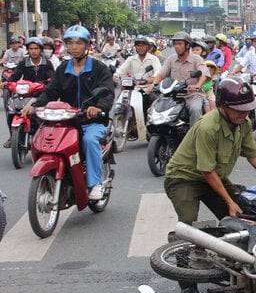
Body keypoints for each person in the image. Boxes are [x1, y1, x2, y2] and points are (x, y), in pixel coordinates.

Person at [164, 76, 256, 293]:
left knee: (245, 216)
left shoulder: (244, 124)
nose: (243, 113)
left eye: (247, 109)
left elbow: (255, 157)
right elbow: (205, 171)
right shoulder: (208, 127)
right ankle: (186, 279)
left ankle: (241, 267)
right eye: (238, 109)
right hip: (184, 177)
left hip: (214, 176)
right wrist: (228, 202)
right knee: (188, 223)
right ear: (222, 107)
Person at [21, 25, 115, 200]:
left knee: (89, 140)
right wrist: (34, 105)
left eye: (78, 43)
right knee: (45, 137)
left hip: (92, 121)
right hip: (67, 120)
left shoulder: (98, 68)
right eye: (70, 43)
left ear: (87, 45)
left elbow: (107, 92)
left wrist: (99, 108)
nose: (74, 47)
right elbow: (50, 91)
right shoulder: (63, 68)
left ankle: (95, 183)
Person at [1, 37, 55, 147]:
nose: (34, 51)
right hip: (26, 93)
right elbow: (15, 76)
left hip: (42, 94)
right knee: (11, 108)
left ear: (40, 50)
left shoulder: (47, 63)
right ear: (28, 50)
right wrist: (6, 83)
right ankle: (12, 137)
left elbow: (52, 79)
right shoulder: (23, 63)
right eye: (31, 49)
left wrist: (47, 85)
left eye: (36, 48)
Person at [151, 31, 210, 127]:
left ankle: (194, 136)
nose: (177, 46)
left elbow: (204, 74)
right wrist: (153, 84)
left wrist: (197, 85)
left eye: (180, 44)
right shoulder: (171, 59)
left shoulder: (196, 59)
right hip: (173, 95)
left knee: (195, 109)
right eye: (175, 44)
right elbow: (161, 74)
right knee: (155, 107)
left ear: (187, 45)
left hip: (192, 94)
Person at [114, 35, 162, 113]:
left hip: (148, 88)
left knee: (154, 101)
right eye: (138, 46)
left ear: (147, 47)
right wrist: (116, 76)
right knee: (120, 102)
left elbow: (158, 72)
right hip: (133, 88)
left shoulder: (153, 59)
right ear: (135, 47)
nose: (140, 48)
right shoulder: (131, 59)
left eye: (143, 46)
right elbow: (121, 70)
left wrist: (152, 80)